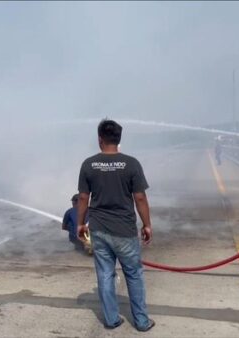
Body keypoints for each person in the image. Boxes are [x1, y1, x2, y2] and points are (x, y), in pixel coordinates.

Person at [76, 119, 155, 331]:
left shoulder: (88, 164)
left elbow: (83, 198)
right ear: (118, 140)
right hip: (125, 231)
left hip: (99, 229)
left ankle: (111, 319)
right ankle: (141, 321)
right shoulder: (131, 164)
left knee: (104, 274)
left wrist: (80, 223)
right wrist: (147, 225)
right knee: (134, 275)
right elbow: (140, 198)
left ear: (100, 140)